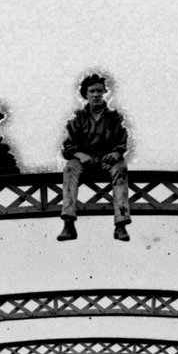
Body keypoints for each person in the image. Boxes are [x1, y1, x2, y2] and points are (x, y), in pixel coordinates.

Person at [57, 73, 132, 242]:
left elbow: (122, 141)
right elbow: (68, 146)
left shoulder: (114, 117)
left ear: (104, 93)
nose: (96, 95)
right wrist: (79, 154)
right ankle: (68, 224)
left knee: (121, 168)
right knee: (69, 168)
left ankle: (121, 225)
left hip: (107, 161)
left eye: (99, 91)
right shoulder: (77, 118)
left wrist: (116, 152)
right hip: (84, 162)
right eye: (92, 91)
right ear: (86, 94)